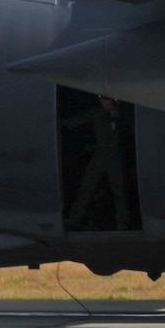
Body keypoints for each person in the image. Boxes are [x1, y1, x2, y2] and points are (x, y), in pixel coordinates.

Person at [67, 94, 132, 230]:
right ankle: (74, 219)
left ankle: (122, 222)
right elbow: (80, 119)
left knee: (120, 192)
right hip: (99, 157)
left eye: (106, 100)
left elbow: (130, 129)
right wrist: (62, 123)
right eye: (102, 100)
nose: (104, 103)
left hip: (115, 159)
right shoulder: (97, 113)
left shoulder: (122, 114)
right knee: (86, 189)